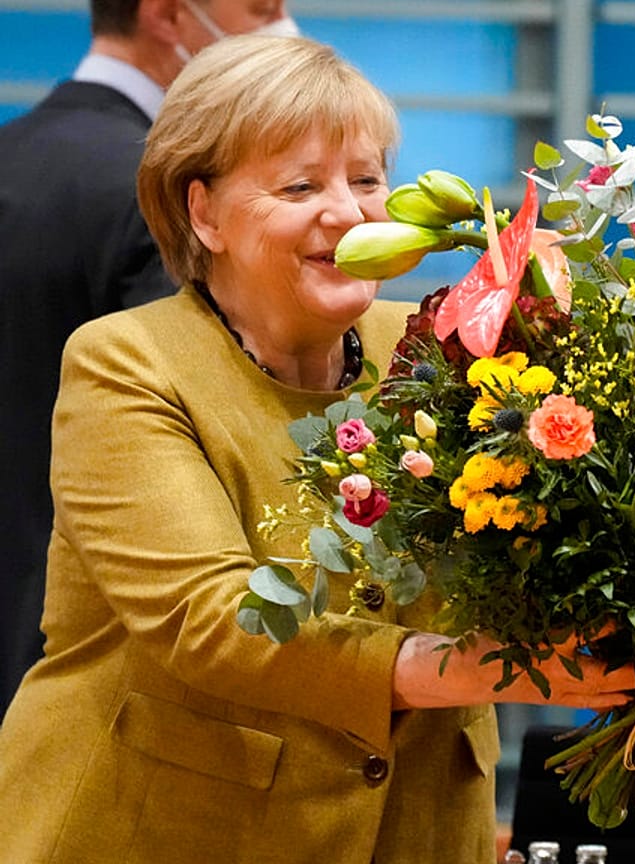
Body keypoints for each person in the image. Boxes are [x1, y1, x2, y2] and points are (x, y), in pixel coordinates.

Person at [0, 36, 634, 864]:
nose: (349, 212)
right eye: (300, 186)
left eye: (367, 180)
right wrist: (473, 668)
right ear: (204, 213)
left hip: (420, 831)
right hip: (172, 832)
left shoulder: (447, 343)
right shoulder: (127, 364)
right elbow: (210, 622)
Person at [0, 0, 299, 714]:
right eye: (262, 7)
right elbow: (205, 416)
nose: (284, 25)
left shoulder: (13, 150)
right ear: (168, 16)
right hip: (106, 641)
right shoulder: (168, 195)